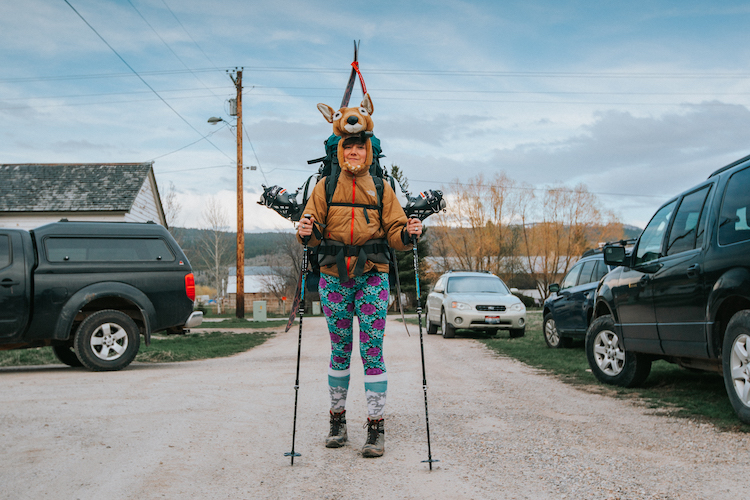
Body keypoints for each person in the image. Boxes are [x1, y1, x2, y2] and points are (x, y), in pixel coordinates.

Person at [297, 134, 422, 458]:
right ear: (340, 151)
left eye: (360, 146)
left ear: (368, 152)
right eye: (349, 146)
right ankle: (337, 422)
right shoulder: (325, 186)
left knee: (372, 351)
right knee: (339, 350)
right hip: (333, 279)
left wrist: (408, 234)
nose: (354, 151)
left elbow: (395, 233)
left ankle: (375, 427)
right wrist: (305, 233)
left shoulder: (381, 187)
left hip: (372, 277)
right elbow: (312, 232)